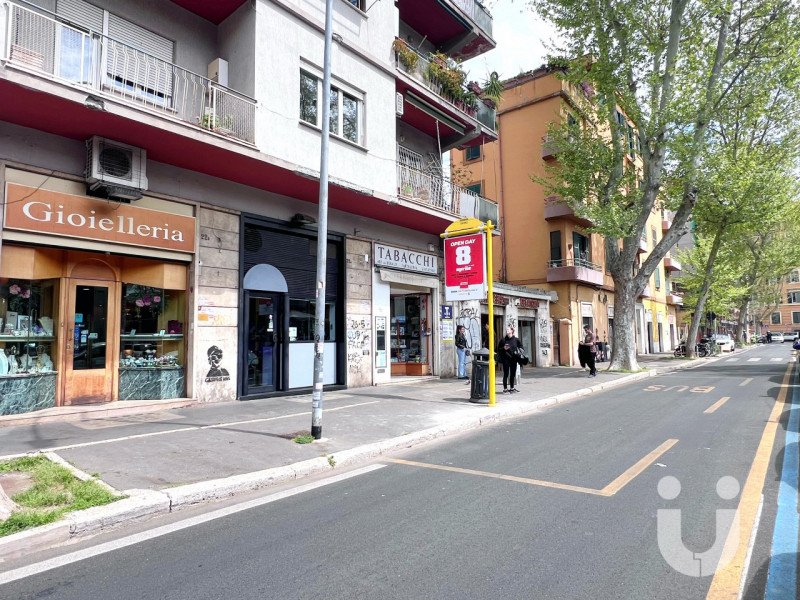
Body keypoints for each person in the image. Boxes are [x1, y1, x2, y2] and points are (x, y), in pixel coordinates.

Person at [497, 325, 523, 393]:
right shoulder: (503, 340)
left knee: (512, 373)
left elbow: (521, 347)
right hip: (505, 358)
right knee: (506, 373)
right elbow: (498, 349)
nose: (507, 331)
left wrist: (519, 352)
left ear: (512, 331)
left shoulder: (516, 340)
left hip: (513, 358)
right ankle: (505, 389)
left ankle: (512, 387)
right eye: (506, 330)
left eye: (508, 330)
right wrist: (503, 348)